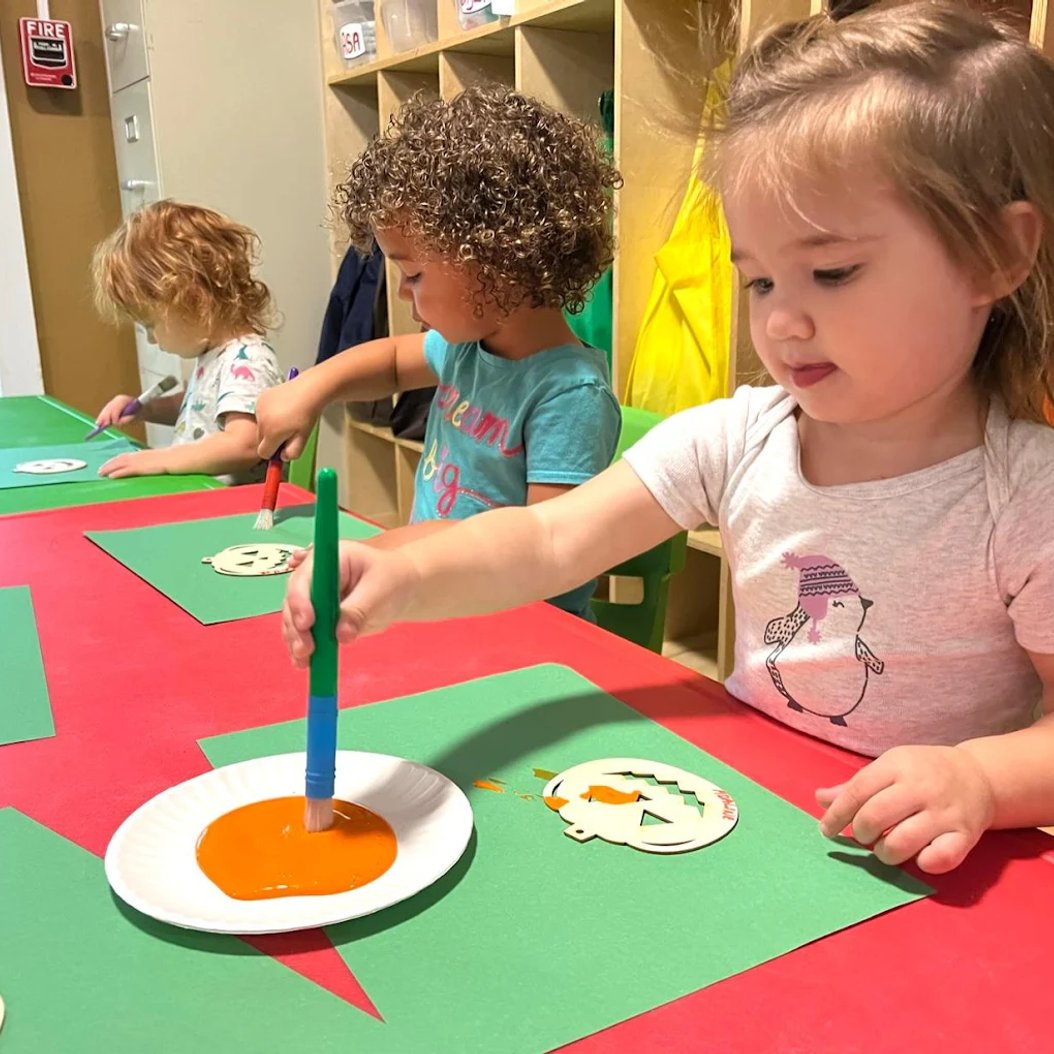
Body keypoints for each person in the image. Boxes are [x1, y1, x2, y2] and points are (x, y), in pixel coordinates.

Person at [281, 3, 1054, 875]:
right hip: (747, 820)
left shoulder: (1029, 497)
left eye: (832, 271)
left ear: (994, 255)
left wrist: (980, 778)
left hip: (927, 880)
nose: (783, 321)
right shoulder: (735, 438)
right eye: (759, 279)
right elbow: (549, 537)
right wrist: (406, 569)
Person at [256, 85, 622, 619]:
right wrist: (312, 389)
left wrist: (386, 552)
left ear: (498, 261)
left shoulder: (568, 397)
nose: (403, 294)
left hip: (526, 637)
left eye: (413, 274)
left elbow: (541, 552)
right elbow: (386, 362)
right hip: (442, 603)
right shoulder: (471, 348)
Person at [92, 199, 283, 483]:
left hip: (233, 515)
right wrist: (147, 409)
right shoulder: (218, 354)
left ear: (193, 301)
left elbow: (243, 444)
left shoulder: (248, 358)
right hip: (206, 504)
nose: (152, 339)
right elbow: (202, 409)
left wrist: (162, 459)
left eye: (151, 324)